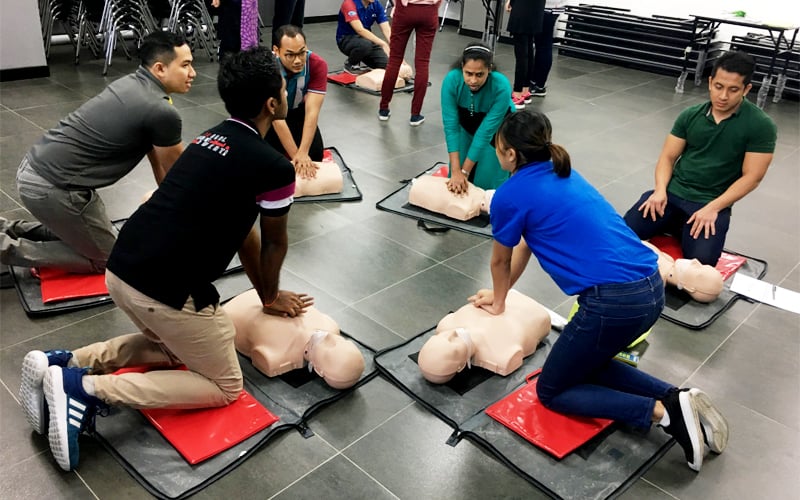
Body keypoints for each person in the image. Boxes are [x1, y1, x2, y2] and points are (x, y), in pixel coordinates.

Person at [18, 47, 315, 472]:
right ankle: (85, 389)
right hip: (163, 289)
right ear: (272, 104)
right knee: (223, 384)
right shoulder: (274, 167)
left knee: (176, 348)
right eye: (282, 88)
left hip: (121, 269)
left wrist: (266, 294)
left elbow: (244, 233)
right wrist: (270, 295)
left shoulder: (209, 137)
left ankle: (66, 362)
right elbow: (271, 244)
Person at [469, 109, 729, 472]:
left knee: (552, 390)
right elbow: (526, 245)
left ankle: (661, 413)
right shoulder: (564, 172)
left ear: (510, 153)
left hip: (614, 304)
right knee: (589, 364)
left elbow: (500, 262)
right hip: (651, 291)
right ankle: (675, 396)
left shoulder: (510, 194)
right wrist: (501, 295)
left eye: (498, 147)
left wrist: (498, 303)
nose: (497, 153)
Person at [1, 32, 194, 275]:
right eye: (185, 65)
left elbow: (163, 165)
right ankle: (4, 246)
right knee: (110, 260)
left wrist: (168, 207)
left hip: (36, 172)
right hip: (53, 189)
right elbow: (184, 173)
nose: (193, 73)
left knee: (94, 237)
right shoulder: (159, 110)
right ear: (159, 69)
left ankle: (7, 227)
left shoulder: (134, 84)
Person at [623, 51, 777, 266]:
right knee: (622, 237)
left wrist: (714, 207)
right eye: (718, 87)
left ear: (746, 89)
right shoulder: (691, 115)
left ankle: (679, 227)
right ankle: (675, 223)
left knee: (702, 264)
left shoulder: (761, 125)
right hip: (671, 194)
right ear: (710, 82)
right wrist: (659, 191)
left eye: (733, 90)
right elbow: (668, 157)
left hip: (710, 202)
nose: (723, 96)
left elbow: (752, 177)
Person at [225, 289, 365, 389]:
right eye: (340, 341)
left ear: (319, 370)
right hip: (257, 296)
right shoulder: (330, 326)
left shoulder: (278, 356)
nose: (330, 338)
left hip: (231, 314)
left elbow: (261, 356)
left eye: (330, 351)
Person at [418, 289, 551, 383]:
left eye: (441, 337)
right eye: (453, 344)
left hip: (505, 295)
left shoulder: (446, 325)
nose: (452, 333)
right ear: (461, 366)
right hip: (534, 313)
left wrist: (497, 293)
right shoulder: (499, 355)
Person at [441, 44, 513, 192]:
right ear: (462, 67)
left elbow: (486, 133)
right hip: (466, 125)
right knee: (454, 181)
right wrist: (456, 171)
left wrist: (465, 172)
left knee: (485, 183)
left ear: (489, 69)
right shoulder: (452, 80)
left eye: (479, 74)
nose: (473, 80)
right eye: (468, 73)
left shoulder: (501, 86)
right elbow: (451, 127)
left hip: (497, 131)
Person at [265, 24, 328, 179]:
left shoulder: (317, 64)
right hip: (269, 117)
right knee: (268, 161)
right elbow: (277, 119)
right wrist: (297, 157)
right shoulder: (268, 68)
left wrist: (304, 153)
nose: (298, 60)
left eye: (302, 53)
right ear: (276, 51)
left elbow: (312, 111)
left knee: (315, 155)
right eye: (290, 55)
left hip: (296, 111)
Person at [377, 0, 441, 126]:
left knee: (394, 60)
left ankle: (384, 109)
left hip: (405, 9)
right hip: (429, 11)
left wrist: (398, 6)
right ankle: (415, 115)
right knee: (423, 63)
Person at [504, 0, 545, 109]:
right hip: (536, 9)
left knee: (521, 54)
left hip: (522, 8)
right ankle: (525, 90)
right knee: (529, 49)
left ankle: (517, 94)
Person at [336, 0, 392, 74]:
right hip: (346, 39)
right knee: (365, 45)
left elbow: (387, 30)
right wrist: (383, 44)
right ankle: (350, 65)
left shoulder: (376, 4)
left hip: (366, 39)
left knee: (387, 66)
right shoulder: (349, 3)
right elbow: (360, 30)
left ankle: (361, 58)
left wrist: (396, 52)